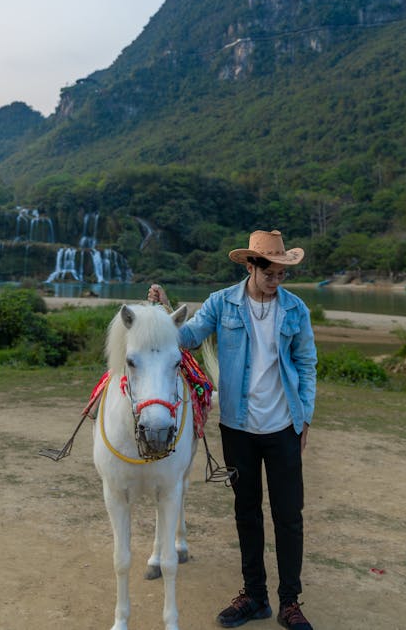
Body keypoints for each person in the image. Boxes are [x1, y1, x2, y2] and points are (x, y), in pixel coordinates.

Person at [148, 229, 317, 630]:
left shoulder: (295, 310)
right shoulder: (221, 304)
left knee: (289, 514)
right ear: (251, 266)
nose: (277, 281)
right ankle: (254, 596)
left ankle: (290, 602)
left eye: (283, 274)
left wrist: (305, 417)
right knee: (247, 512)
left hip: (283, 426)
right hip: (238, 427)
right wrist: (165, 310)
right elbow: (186, 338)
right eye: (271, 273)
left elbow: (307, 363)